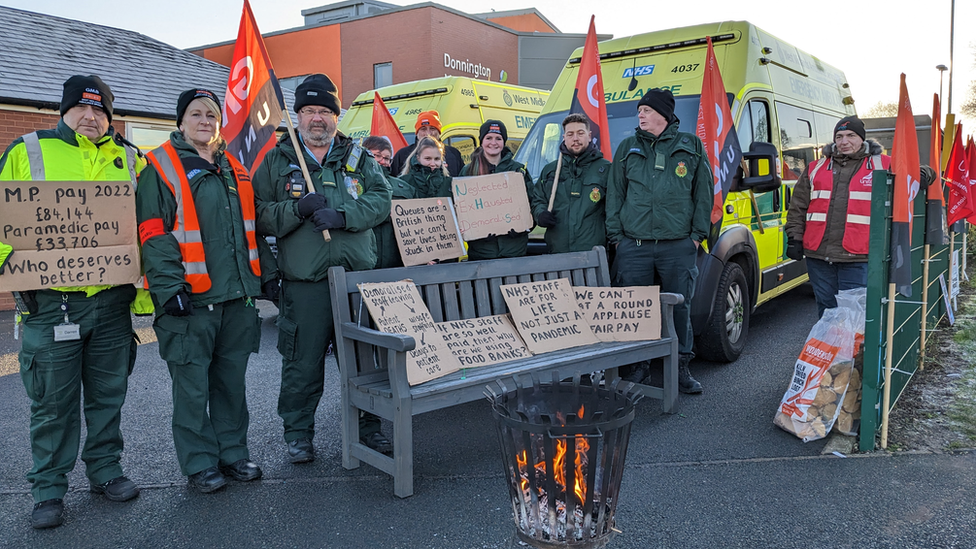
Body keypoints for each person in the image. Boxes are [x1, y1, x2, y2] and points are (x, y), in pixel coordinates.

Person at [0, 75, 148, 528]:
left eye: (100, 110)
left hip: (111, 302)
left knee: (108, 395)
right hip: (50, 304)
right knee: (52, 402)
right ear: (63, 110)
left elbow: (149, 223)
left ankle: (105, 470)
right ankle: (48, 488)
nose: (91, 117)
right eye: (82, 109)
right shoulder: (27, 151)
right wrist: (14, 271)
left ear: (109, 113)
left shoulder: (130, 158)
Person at [137, 88, 275, 493]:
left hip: (236, 297)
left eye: (211, 115)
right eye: (195, 114)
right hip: (190, 299)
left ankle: (232, 453)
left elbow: (249, 230)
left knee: (231, 383)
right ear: (180, 122)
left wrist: (267, 276)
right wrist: (169, 287)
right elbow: (153, 232)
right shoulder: (159, 167)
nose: (204, 121)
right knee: (193, 387)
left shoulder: (235, 167)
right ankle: (199, 462)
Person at [252, 74, 393, 462]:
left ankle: (370, 427)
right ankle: (298, 433)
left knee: (366, 358)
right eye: (309, 111)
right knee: (302, 363)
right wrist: (296, 210)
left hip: (355, 282)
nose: (318, 118)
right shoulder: (277, 160)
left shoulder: (358, 157)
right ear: (297, 116)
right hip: (306, 284)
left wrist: (343, 215)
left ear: (336, 117)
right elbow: (259, 215)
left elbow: (382, 200)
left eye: (325, 112)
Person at [606, 88, 712, 394]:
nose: (640, 115)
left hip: (678, 246)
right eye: (639, 111)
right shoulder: (627, 147)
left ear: (663, 115)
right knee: (636, 309)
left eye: (646, 110)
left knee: (680, 308)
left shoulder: (690, 145)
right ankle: (639, 367)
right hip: (634, 247)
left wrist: (695, 237)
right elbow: (615, 195)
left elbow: (703, 193)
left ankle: (681, 368)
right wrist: (617, 238)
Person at [785, 116, 889, 318]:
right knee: (827, 311)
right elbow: (798, 207)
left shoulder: (882, 164)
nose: (844, 142)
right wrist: (794, 238)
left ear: (862, 139)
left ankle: (852, 350)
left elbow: (915, 172)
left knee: (854, 314)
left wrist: (924, 175)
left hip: (859, 256)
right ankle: (830, 349)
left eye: (851, 135)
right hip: (818, 255)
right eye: (839, 136)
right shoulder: (815, 167)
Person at [531, 113, 610, 253]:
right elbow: (537, 199)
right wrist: (540, 214)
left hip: (592, 252)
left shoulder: (605, 169)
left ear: (589, 135)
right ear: (564, 138)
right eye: (570, 134)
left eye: (580, 133)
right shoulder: (551, 170)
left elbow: (615, 208)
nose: (575, 139)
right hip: (558, 251)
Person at [460, 120, 535, 260]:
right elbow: (461, 208)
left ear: (504, 142)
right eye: (488, 138)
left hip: (514, 250)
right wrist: (476, 230)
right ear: (481, 141)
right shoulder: (468, 171)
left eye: (498, 138)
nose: (493, 143)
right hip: (481, 251)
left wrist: (523, 227)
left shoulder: (518, 170)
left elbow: (532, 203)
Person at [364, 135, 415, 269]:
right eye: (377, 155)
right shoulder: (353, 185)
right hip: (366, 259)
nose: (382, 161)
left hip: (397, 260)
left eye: (386, 158)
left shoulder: (405, 188)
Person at [389, 110, 465, 176]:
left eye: (432, 128)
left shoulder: (453, 153)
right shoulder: (403, 155)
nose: (428, 133)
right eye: (423, 129)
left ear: (439, 132)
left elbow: (462, 180)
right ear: (417, 133)